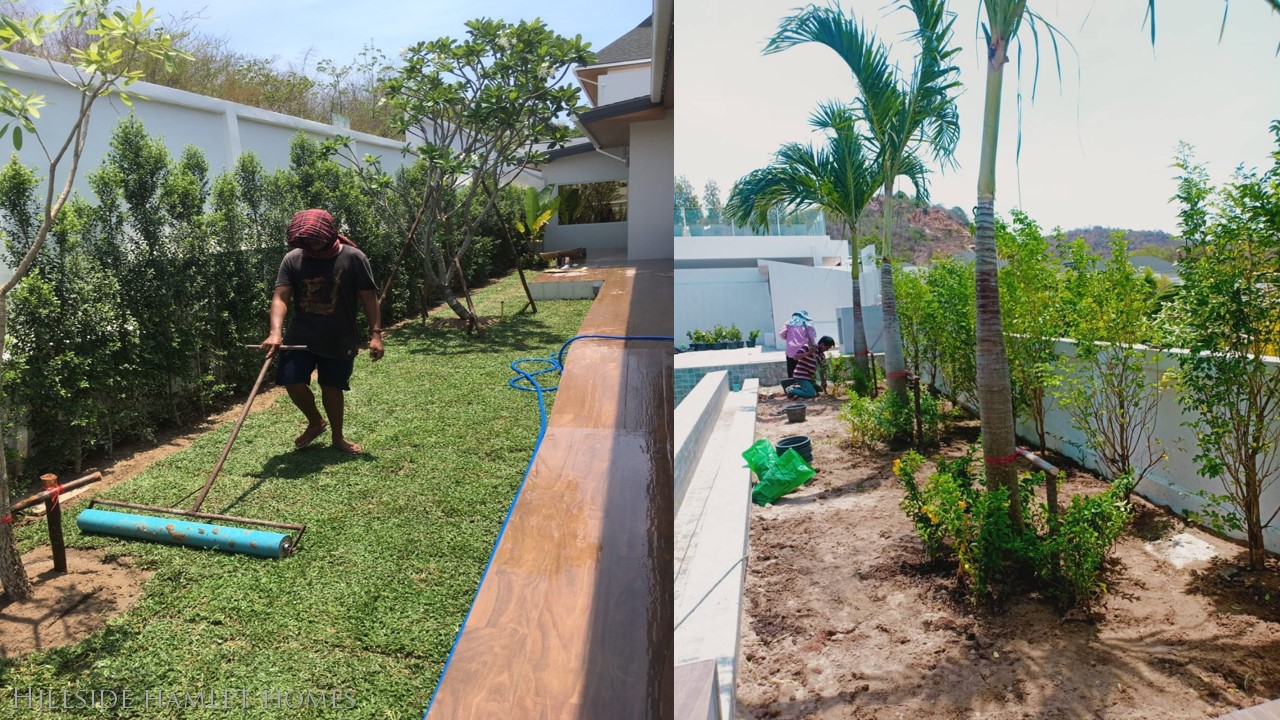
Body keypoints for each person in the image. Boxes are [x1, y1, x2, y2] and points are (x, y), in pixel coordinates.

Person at [262, 209, 384, 454]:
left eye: (315, 238)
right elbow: (281, 296)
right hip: (301, 335)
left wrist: (376, 334)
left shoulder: (354, 258)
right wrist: (275, 332)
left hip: (339, 336)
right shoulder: (293, 259)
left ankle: (338, 438)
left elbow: (369, 299)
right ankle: (316, 421)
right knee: (291, 379)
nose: (311, 243)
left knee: (331, 386)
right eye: (306, 239)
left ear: (329, 233)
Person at [779, 309, 817, 377]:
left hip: (790, 351)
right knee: (802, 371)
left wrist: (788, 339)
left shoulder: (788, 324)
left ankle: (791, 384)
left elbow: (782, 334)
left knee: (791, 370)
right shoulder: (808, 325)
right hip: (802, 351)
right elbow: (811, 339)